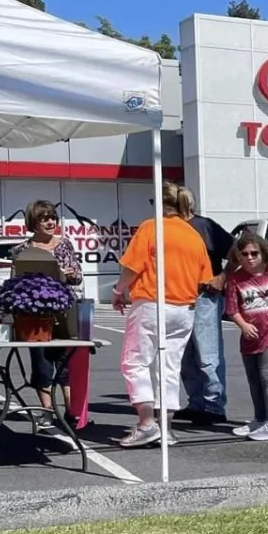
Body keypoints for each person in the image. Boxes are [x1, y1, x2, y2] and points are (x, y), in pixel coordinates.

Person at [111, 182, 213, 448]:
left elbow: (132, 267)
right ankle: (165, 428)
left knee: (135, 362)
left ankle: (147, 424)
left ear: (159, 204)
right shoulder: (193, 235)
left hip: (152, 302)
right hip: (184, 307)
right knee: (169, 368)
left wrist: (118, 290)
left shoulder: (151, 228)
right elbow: (204, 277)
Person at [9, 200, 83, 435]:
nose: (51, 222)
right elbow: (16, 280)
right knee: (41, 363)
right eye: (44, 218)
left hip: (64, 310)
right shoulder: (21, 249)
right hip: (34, 313)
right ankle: (47, 411)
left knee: (64, 361)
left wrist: (65, 275)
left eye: (53, 217)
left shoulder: (64, 245)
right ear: (34, 222)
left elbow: (77, 276)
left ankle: (72, 411)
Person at [223, 230, 268, 441]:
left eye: (254, 253)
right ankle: (260, 419)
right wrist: (243, 325)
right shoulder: (235, 280)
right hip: (250, 336)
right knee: (254, 380)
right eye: (244, 254)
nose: (250, 258)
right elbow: (232, 309)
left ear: (263, 253)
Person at [176, 196, 236, 426]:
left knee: (207, 353)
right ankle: (197, 403)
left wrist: (222, 277)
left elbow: (237, 252)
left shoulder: (205, 226)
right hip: (177, 296)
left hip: (204, 296)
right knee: (185, 355)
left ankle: (214, 405)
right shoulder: (166, 227)